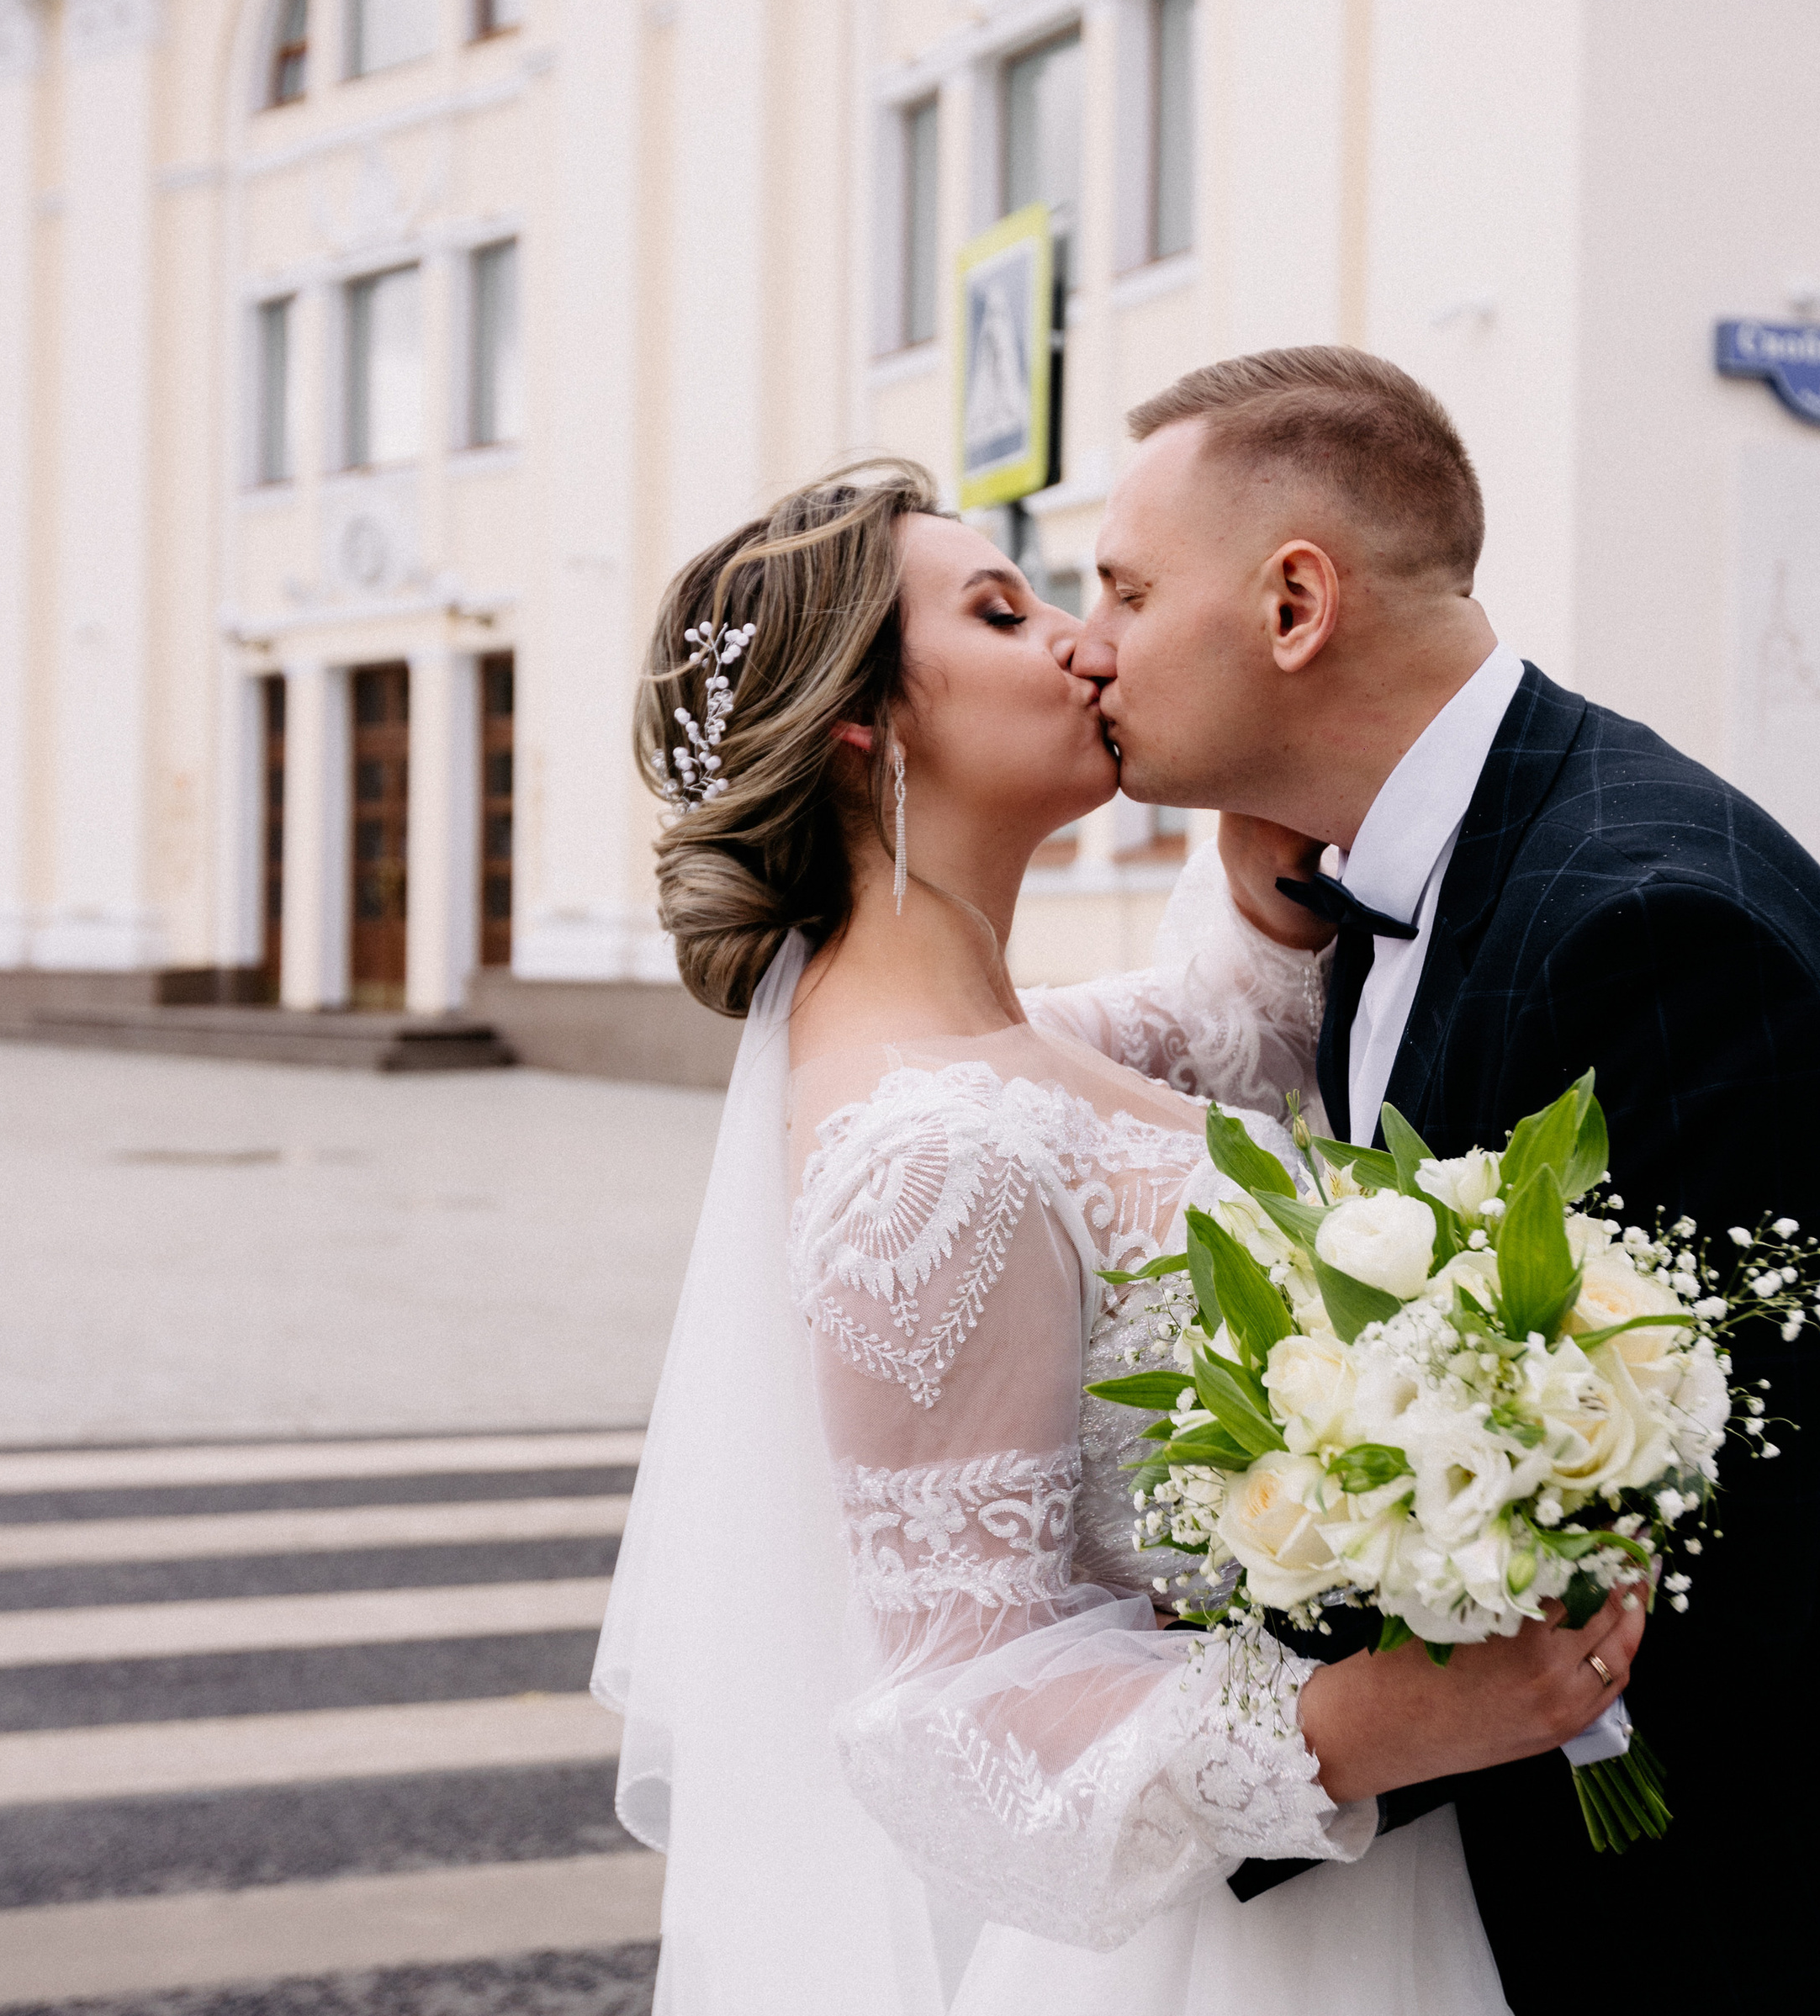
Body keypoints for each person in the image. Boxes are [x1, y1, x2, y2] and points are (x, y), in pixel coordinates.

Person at [1072, 346, 1820, 2009]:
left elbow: (1683, 1575)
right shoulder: (1386, 874)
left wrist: (1197, 1770)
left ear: (1295, 605)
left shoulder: (1653, 930)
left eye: (1123, 588)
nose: (1089, 643)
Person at [592, 464, 1641, 2014]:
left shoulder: (1012, 1044)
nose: (1084, 642)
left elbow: (1241, 1034)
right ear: (861, 725)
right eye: (1002, 613)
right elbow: (954, 1710)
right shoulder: (923, 1160)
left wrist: (1268, 824)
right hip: (1243, 1943)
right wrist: (1372, 1724)